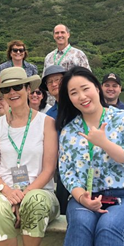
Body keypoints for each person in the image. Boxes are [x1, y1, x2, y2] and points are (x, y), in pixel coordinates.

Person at [56, 67, 124, 246]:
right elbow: (67, 172)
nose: (82, 96)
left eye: (85, 88)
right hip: (86, 196)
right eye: (74, 93)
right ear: (69, 99)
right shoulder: (69, 131)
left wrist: (104, 143)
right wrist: (82, 196)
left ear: (97, 88)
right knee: (81, 225)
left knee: (109, 227)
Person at [0, 68, 60, 246]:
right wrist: (8, 192)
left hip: (41, 191)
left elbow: (49, 169)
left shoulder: (46, 123)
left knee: (34, 202)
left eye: (17, 87)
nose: (12, 93)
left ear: (28, 88)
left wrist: (24, 195)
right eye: (6, 90)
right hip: (4, 191)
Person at [40, 64, 70, 215]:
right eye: (50, 82)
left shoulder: (78, 106)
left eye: (58, 79)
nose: (54, 84)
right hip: (60, 166)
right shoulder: (50, 115)